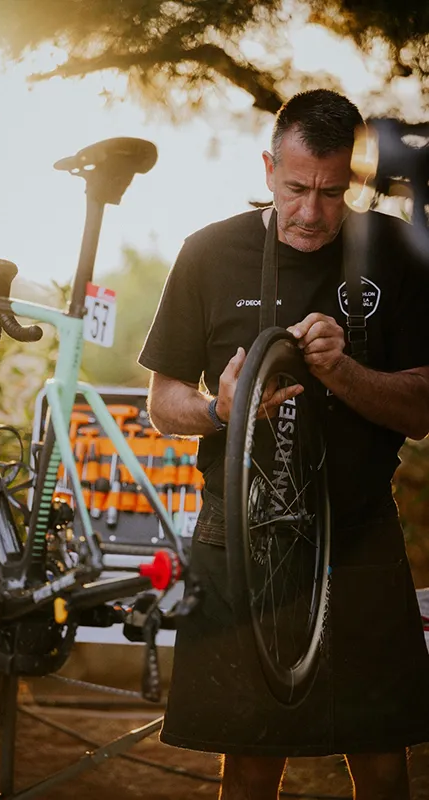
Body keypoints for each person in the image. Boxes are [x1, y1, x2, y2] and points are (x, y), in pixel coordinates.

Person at [138, 89, 429, 800]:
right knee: (246, 766)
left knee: (383, 763)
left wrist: (343, 370)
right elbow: (161, 404)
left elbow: (421, 408)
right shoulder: (207, 252)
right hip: (239, 534)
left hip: (358, 531)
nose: (309, 211)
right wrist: (220, 408)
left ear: (352, 183)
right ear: (268, 168)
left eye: (331, 193)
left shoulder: (392, 251)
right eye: (296, 187)